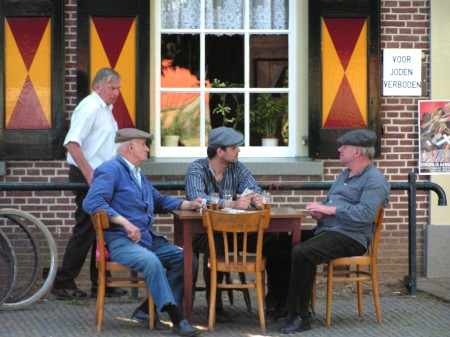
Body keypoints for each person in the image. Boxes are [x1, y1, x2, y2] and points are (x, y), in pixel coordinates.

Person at [83, 128, 202, 337]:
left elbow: (157, 200)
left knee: (187, 259)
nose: (147, 149)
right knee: (151, 261)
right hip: (120, 241)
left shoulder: (138, 174)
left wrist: (186, 203)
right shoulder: (110, 170)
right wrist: (124, 222)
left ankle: (147, 310)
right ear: (130, 147)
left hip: (146, 239)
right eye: (144, 144)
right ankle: (176, 318)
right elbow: (92, 202)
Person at [278, 129, 390, 334]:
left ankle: (300, 316)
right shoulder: (344, 175)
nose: (339, 149)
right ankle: (281, 306)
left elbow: (365, 214)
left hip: (351, 236)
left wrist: (330, 210)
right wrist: (321, 214)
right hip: (328, 230)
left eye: (344, 147)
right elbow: (331, 204)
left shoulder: (375, 180)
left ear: (357, 152)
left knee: (303, 252)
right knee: (278, 244)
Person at [185, 126, 291, 322]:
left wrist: (256, 198)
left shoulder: (238, 168)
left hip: (237, 232)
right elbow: (197, 197)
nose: (238, 151)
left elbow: (251, 188)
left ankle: (279, 305)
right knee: (214, 244)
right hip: (202, 232)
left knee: (278, 241)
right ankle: (215, 307)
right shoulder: (196, 169)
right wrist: (230, 203)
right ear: (220, 151)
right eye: (234, 147)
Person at [51, 68, 127, 300]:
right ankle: (63, 283)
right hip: (88, 177)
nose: (116, 93)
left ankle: (102, 283)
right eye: (111, 88)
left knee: (102, 229)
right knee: (85, 229)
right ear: (97, 87)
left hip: (101, 176)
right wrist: (90, 175)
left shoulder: (106, 109)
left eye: (118, 88)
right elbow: (72, 143)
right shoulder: (90, 107)